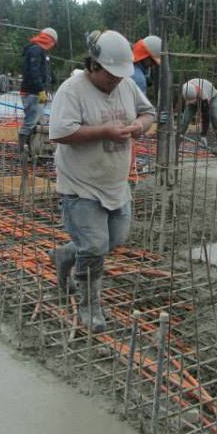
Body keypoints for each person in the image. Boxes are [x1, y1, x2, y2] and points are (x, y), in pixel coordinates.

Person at [47, 30, 155, 332]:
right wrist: (104, 131)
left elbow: (149, 112)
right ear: (94, 65)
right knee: (95, 248)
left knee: (113, 239)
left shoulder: (126, 85)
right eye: (111, 75)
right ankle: (89, 306)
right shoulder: (72, 90)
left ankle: (64, 255)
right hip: (81, 186)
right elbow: (59, 132)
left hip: (116, 185)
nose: (116, 81)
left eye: (120, 75)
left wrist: (139, 125)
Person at [19, 27, 58, 156]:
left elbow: (45, 70)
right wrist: (41, 89)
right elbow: (34, 72)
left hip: (38, 92)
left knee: (37, 121)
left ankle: (31, 150)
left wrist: (52, 79)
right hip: (32, 92)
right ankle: (22, 150)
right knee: (30, 121)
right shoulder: (36, 50)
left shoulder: (42, 51)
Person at [177, 78, 217, 146]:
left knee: (216, 119)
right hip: (192, 97)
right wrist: (190, 102)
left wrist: (203, 135)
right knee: (185, 119)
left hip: (212, 96)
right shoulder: (185, 89)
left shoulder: (204, 96)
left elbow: (205, 117)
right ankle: (177, 141)